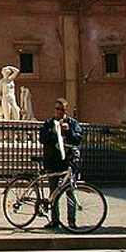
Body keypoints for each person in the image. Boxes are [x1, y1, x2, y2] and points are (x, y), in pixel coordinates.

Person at [39, 97, 83, 228]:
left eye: (62, 109)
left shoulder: (72, 123)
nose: (59, 112)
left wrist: (69, 131)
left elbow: (78, 139)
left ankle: (72, 220)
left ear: (66, 110)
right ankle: (55, 220)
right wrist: (52, 132)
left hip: (68, 162)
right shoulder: (49, 123)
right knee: (54, 193)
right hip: (53, 161)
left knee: (70, 192)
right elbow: (42, 139)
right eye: (57, 109)